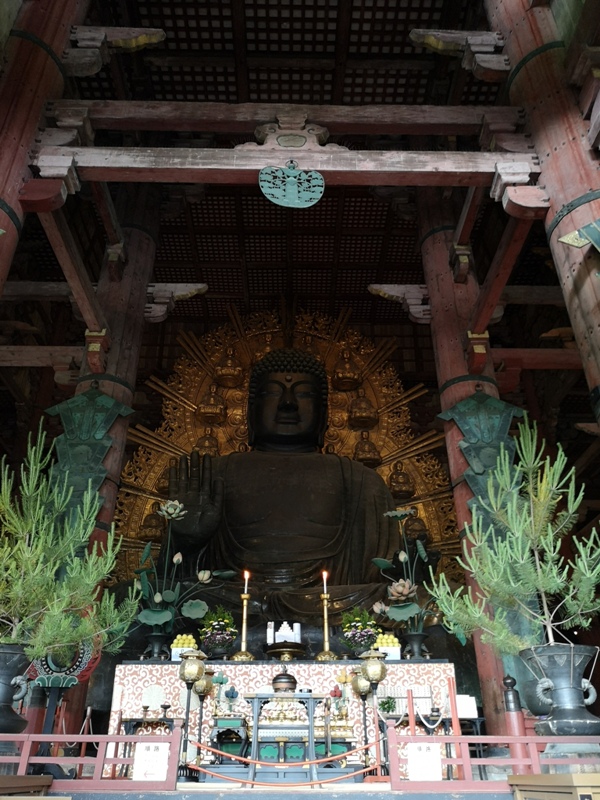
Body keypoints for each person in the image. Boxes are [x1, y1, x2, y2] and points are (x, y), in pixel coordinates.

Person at [168, 348, 397, 622]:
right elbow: (174, 575)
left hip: (332, 605)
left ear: (324, 415)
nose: (287, 403)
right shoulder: (215, 474)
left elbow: (386, 575)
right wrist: (186, 540)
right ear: (250, 411)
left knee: (418, 600)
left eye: (304, 394)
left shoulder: (361, 481)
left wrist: (412, 572)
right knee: (149, 594)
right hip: (232, 602)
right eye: (272, 393)